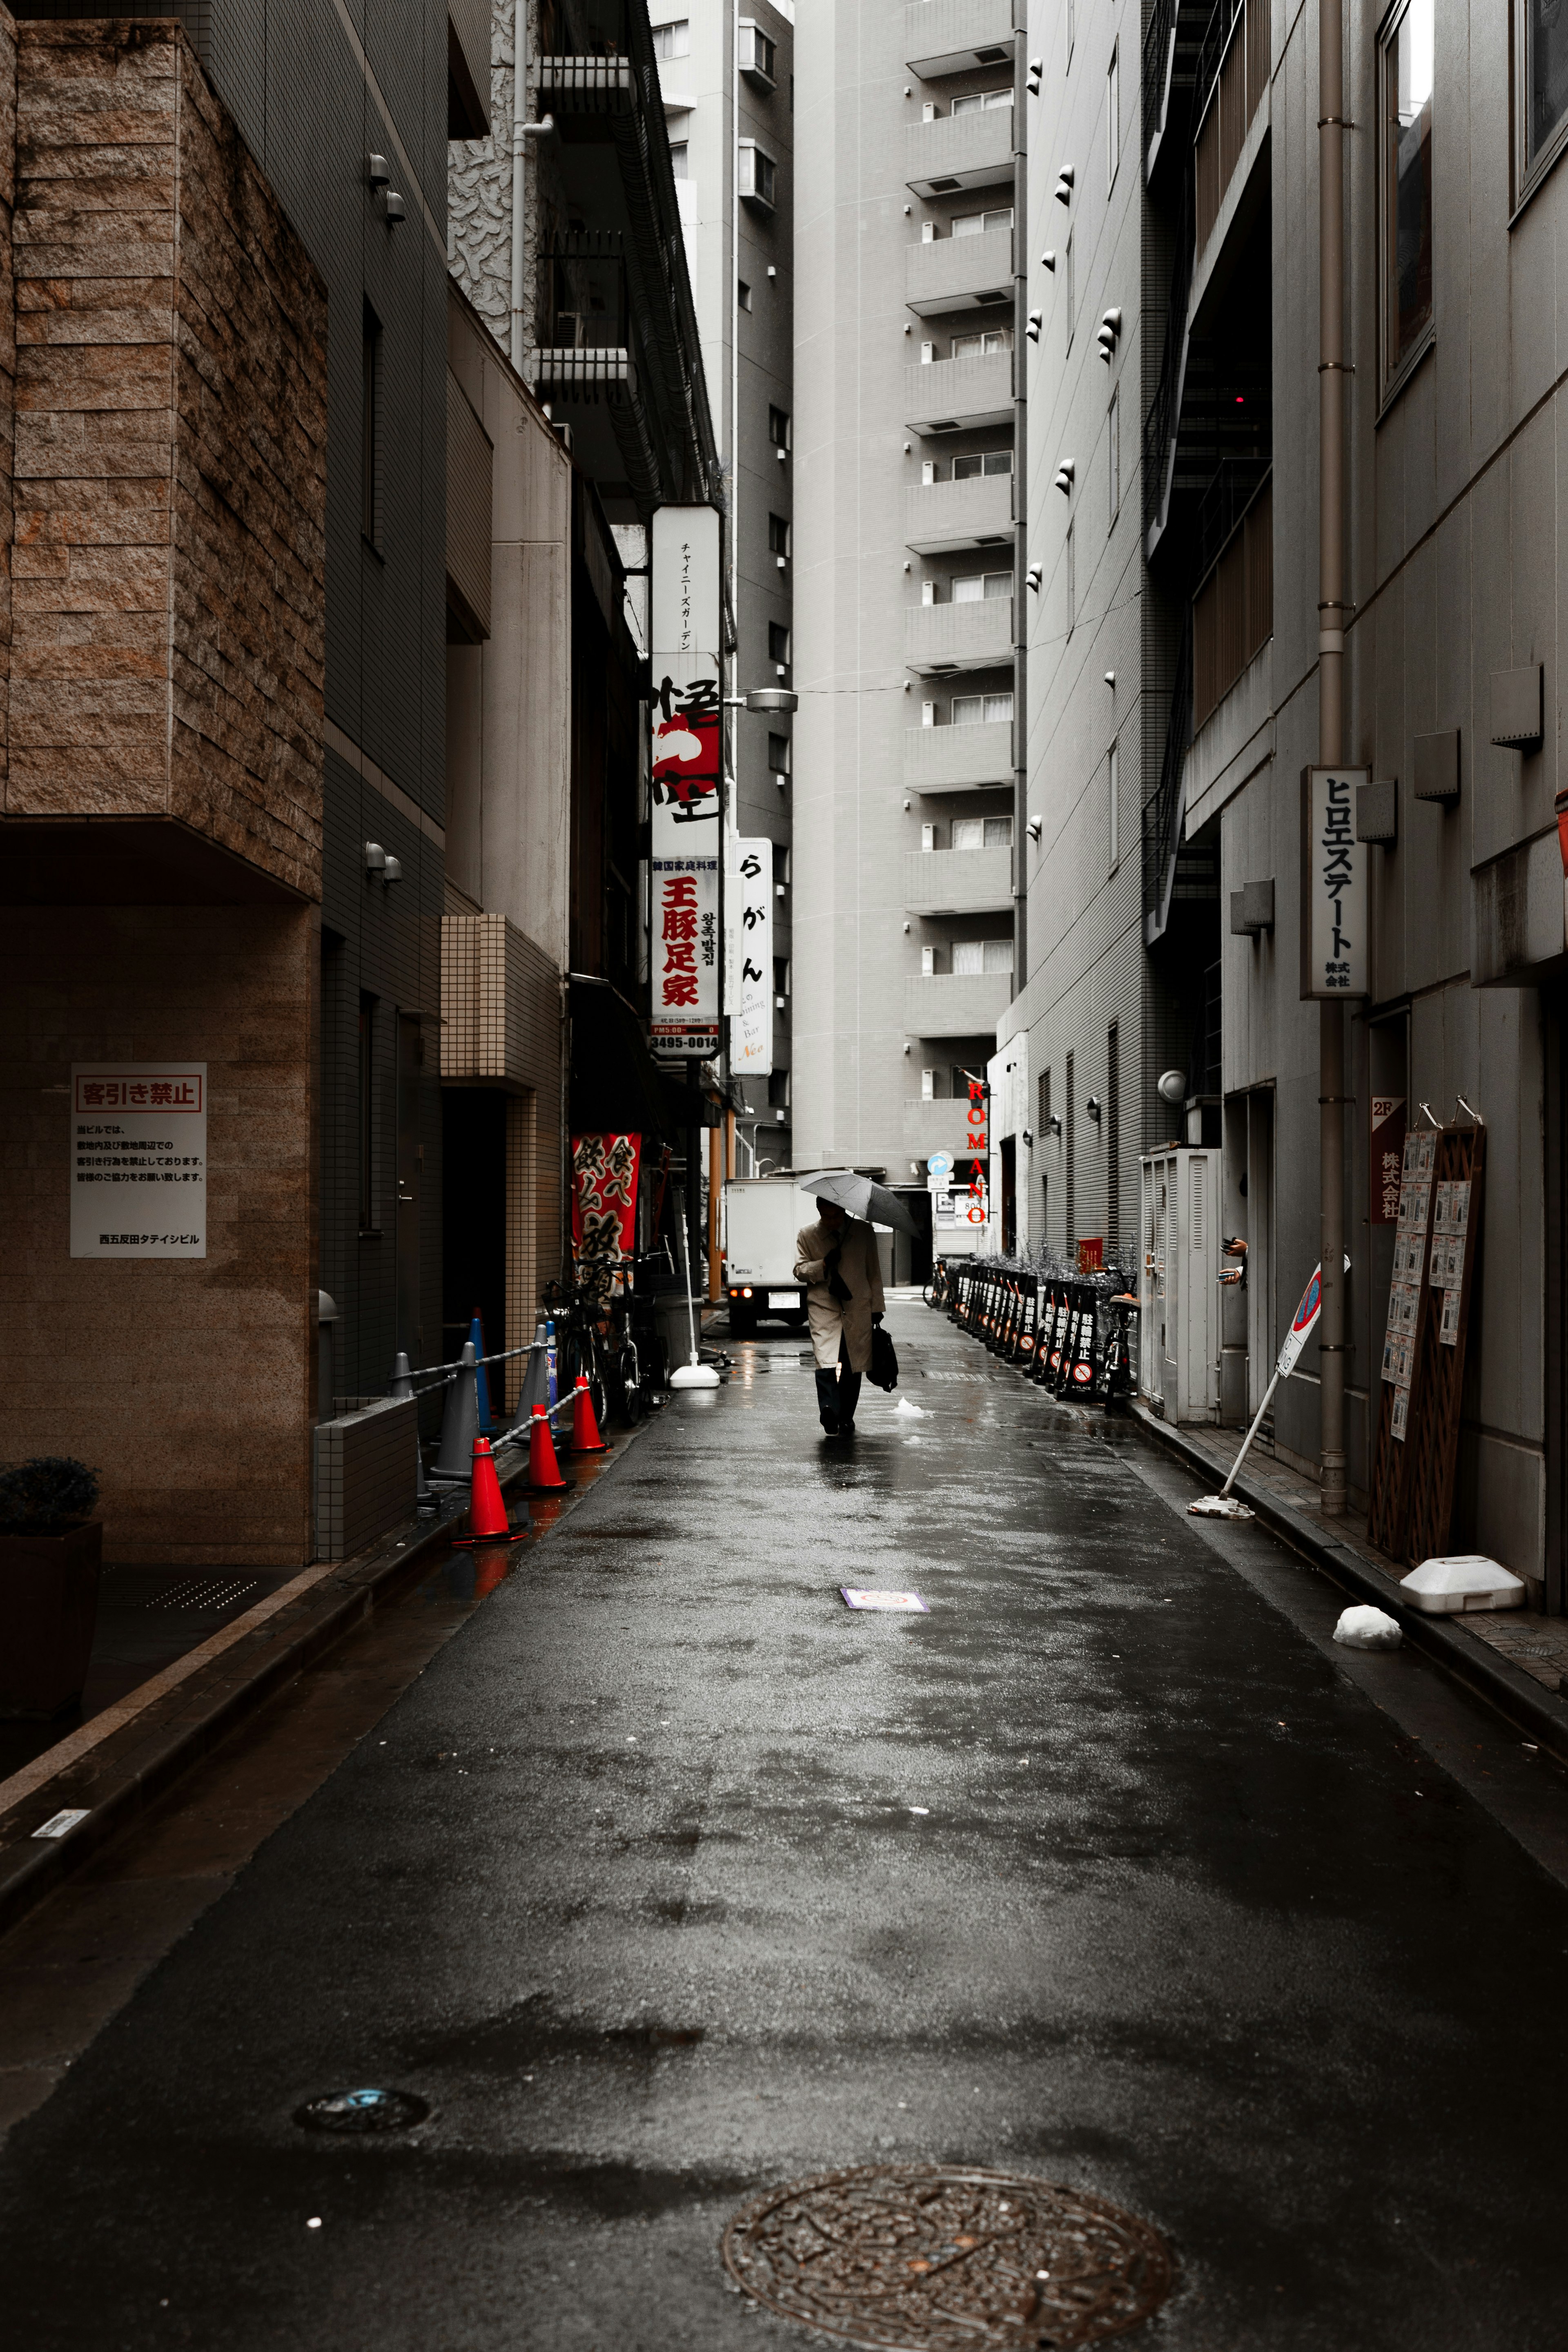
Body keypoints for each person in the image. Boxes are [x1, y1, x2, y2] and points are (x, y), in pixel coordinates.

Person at [794, 1197, 885, 1438]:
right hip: (823, 1307)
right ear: (819, 1212)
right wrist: (822, 1265)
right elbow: (799, 1270)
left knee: (854, 1364)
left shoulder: (864, 1232)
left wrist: (878, 1308)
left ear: (844, 1211)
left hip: (857, 1306)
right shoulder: (807, 1234)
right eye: (826, 1217)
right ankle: (829, 1409)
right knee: (825, 1360)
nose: (832, 1222)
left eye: (836, 1216)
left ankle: (845, 1416)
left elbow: (874, 1272)